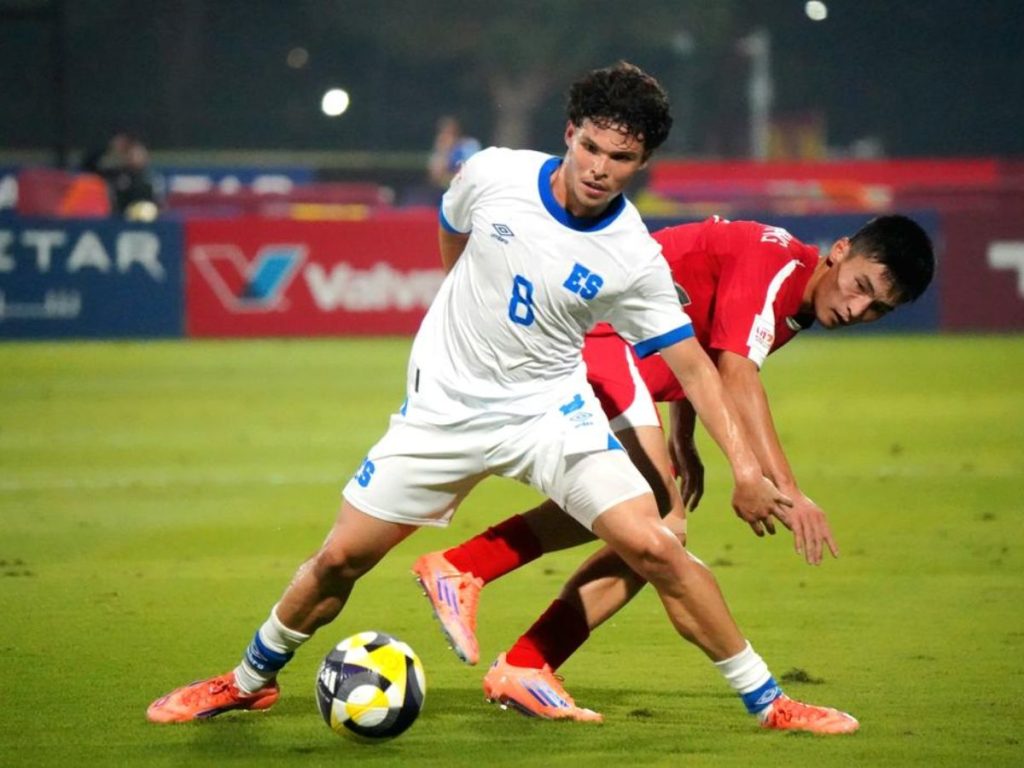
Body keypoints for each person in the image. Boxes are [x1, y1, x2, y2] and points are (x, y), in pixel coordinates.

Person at [145, 61, 795, 728]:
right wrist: (454, 300)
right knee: (340, 559)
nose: (600, 167)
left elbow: (692, 368)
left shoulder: (632, 256)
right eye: (591, 147)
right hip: (444, 410)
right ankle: (249, 680)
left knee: (656, 543)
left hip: (549, 414)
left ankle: (770, 702)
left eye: (621, 158)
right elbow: (452, 223)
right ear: (569, 134)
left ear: (642, 162)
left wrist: (747, 469)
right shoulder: (494, 174)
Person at [412, 213, 934, 727]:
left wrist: (682, 435)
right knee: (661, 528)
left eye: (877, 309)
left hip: (611, 344)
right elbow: (735, 373)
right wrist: (771, 484)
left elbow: (701, 348)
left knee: (642, 526)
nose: (856, 307)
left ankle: (519, 649)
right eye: (860, 286)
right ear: (839, 250)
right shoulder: (775, 264)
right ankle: (481, 586)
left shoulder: (796, 294)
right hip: (592, 334)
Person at [427, 115, 481, 190]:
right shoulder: (441, 147)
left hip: (467, 190)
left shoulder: (469, 145)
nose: (446, 135)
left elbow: (470, 175)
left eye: (449, 132)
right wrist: (443, 151)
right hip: (445, 190)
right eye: (443, 132)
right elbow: (435, 177)